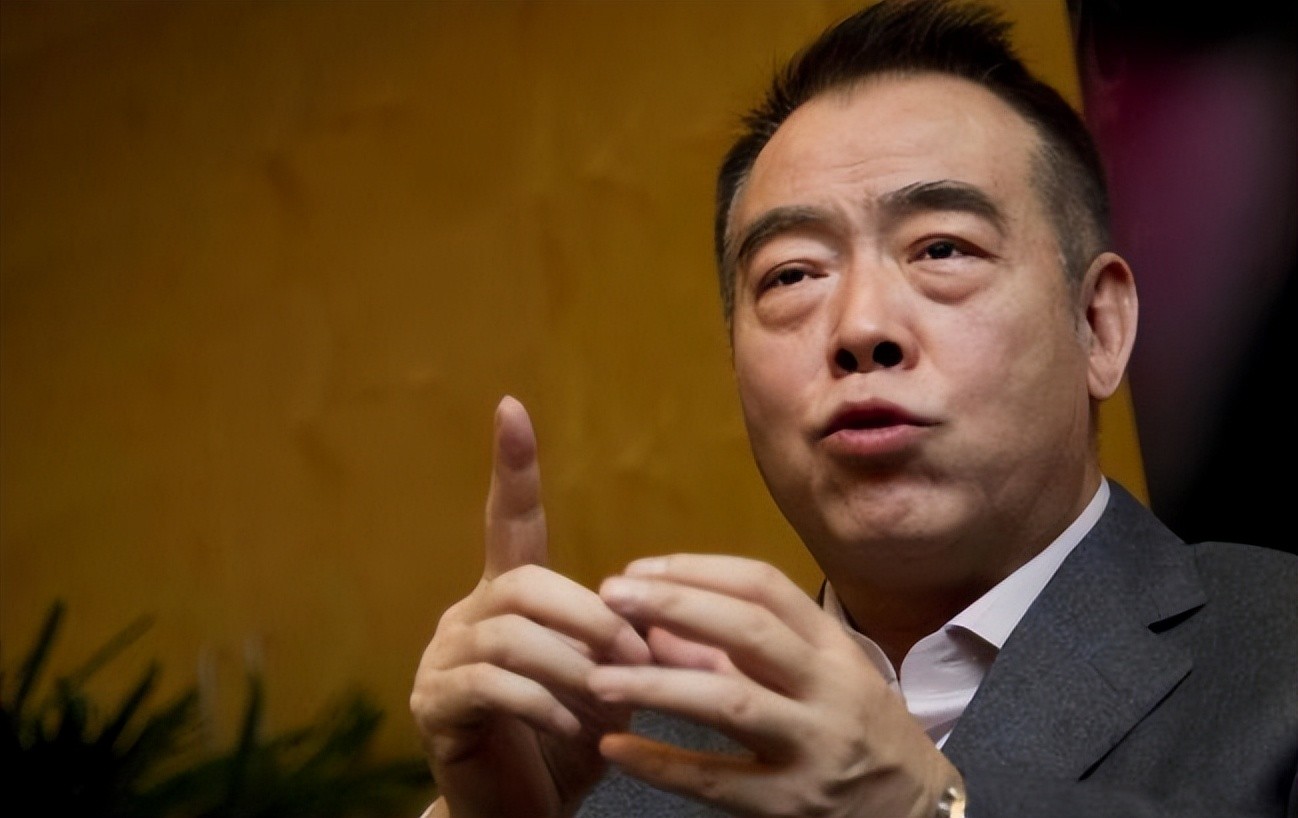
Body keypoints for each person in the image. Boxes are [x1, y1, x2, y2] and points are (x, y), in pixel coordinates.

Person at [408, 0, 1298, 815]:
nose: (862, 328)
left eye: (941, 249)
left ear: (1099, 326)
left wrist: (926, 807)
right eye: (793, 274)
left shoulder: (1277, 651)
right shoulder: (626, 755)